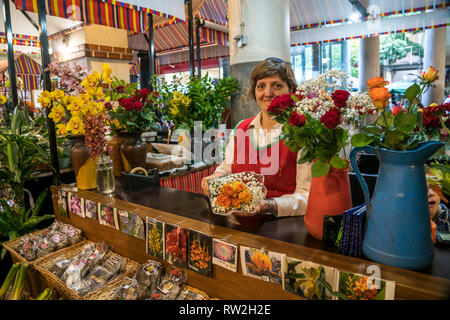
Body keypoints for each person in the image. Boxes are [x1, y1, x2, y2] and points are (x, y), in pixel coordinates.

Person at [201, 58, 311, 218]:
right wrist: (217, 177)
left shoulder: (301, 133)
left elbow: (307, 194)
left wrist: (270, 205)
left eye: (277, 85)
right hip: (237, 224)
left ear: (291, 91)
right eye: (261, 86)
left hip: (282, 228)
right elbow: (228, 167)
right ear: (254, 92)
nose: (268, 93)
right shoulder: (241, 128)